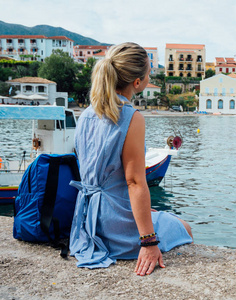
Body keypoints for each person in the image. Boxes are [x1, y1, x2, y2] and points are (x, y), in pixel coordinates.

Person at [69, 42, 193, 276]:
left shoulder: (85, 115)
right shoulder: (130, 117)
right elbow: (134, 182)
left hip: (86, 224)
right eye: (148, 73)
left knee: (157, 213)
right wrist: (148, 243)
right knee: (184, 227)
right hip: (115, 230)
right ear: (138, 83)